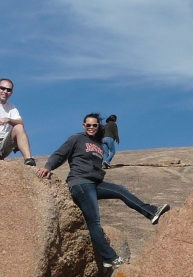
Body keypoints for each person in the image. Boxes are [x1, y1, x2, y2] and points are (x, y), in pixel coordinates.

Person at [36, 113, 170, 268]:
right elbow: (60, 154)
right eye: (88, 125)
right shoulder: (77, 139)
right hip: (79, 182)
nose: (91, 127)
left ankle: (152, 212)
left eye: (94, 125)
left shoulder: (99, 144)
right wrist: (48, 167)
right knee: (94, 220)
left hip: (96, 182)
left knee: (120, 190)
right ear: (83, 126)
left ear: (98, 126)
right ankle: (109, 257)